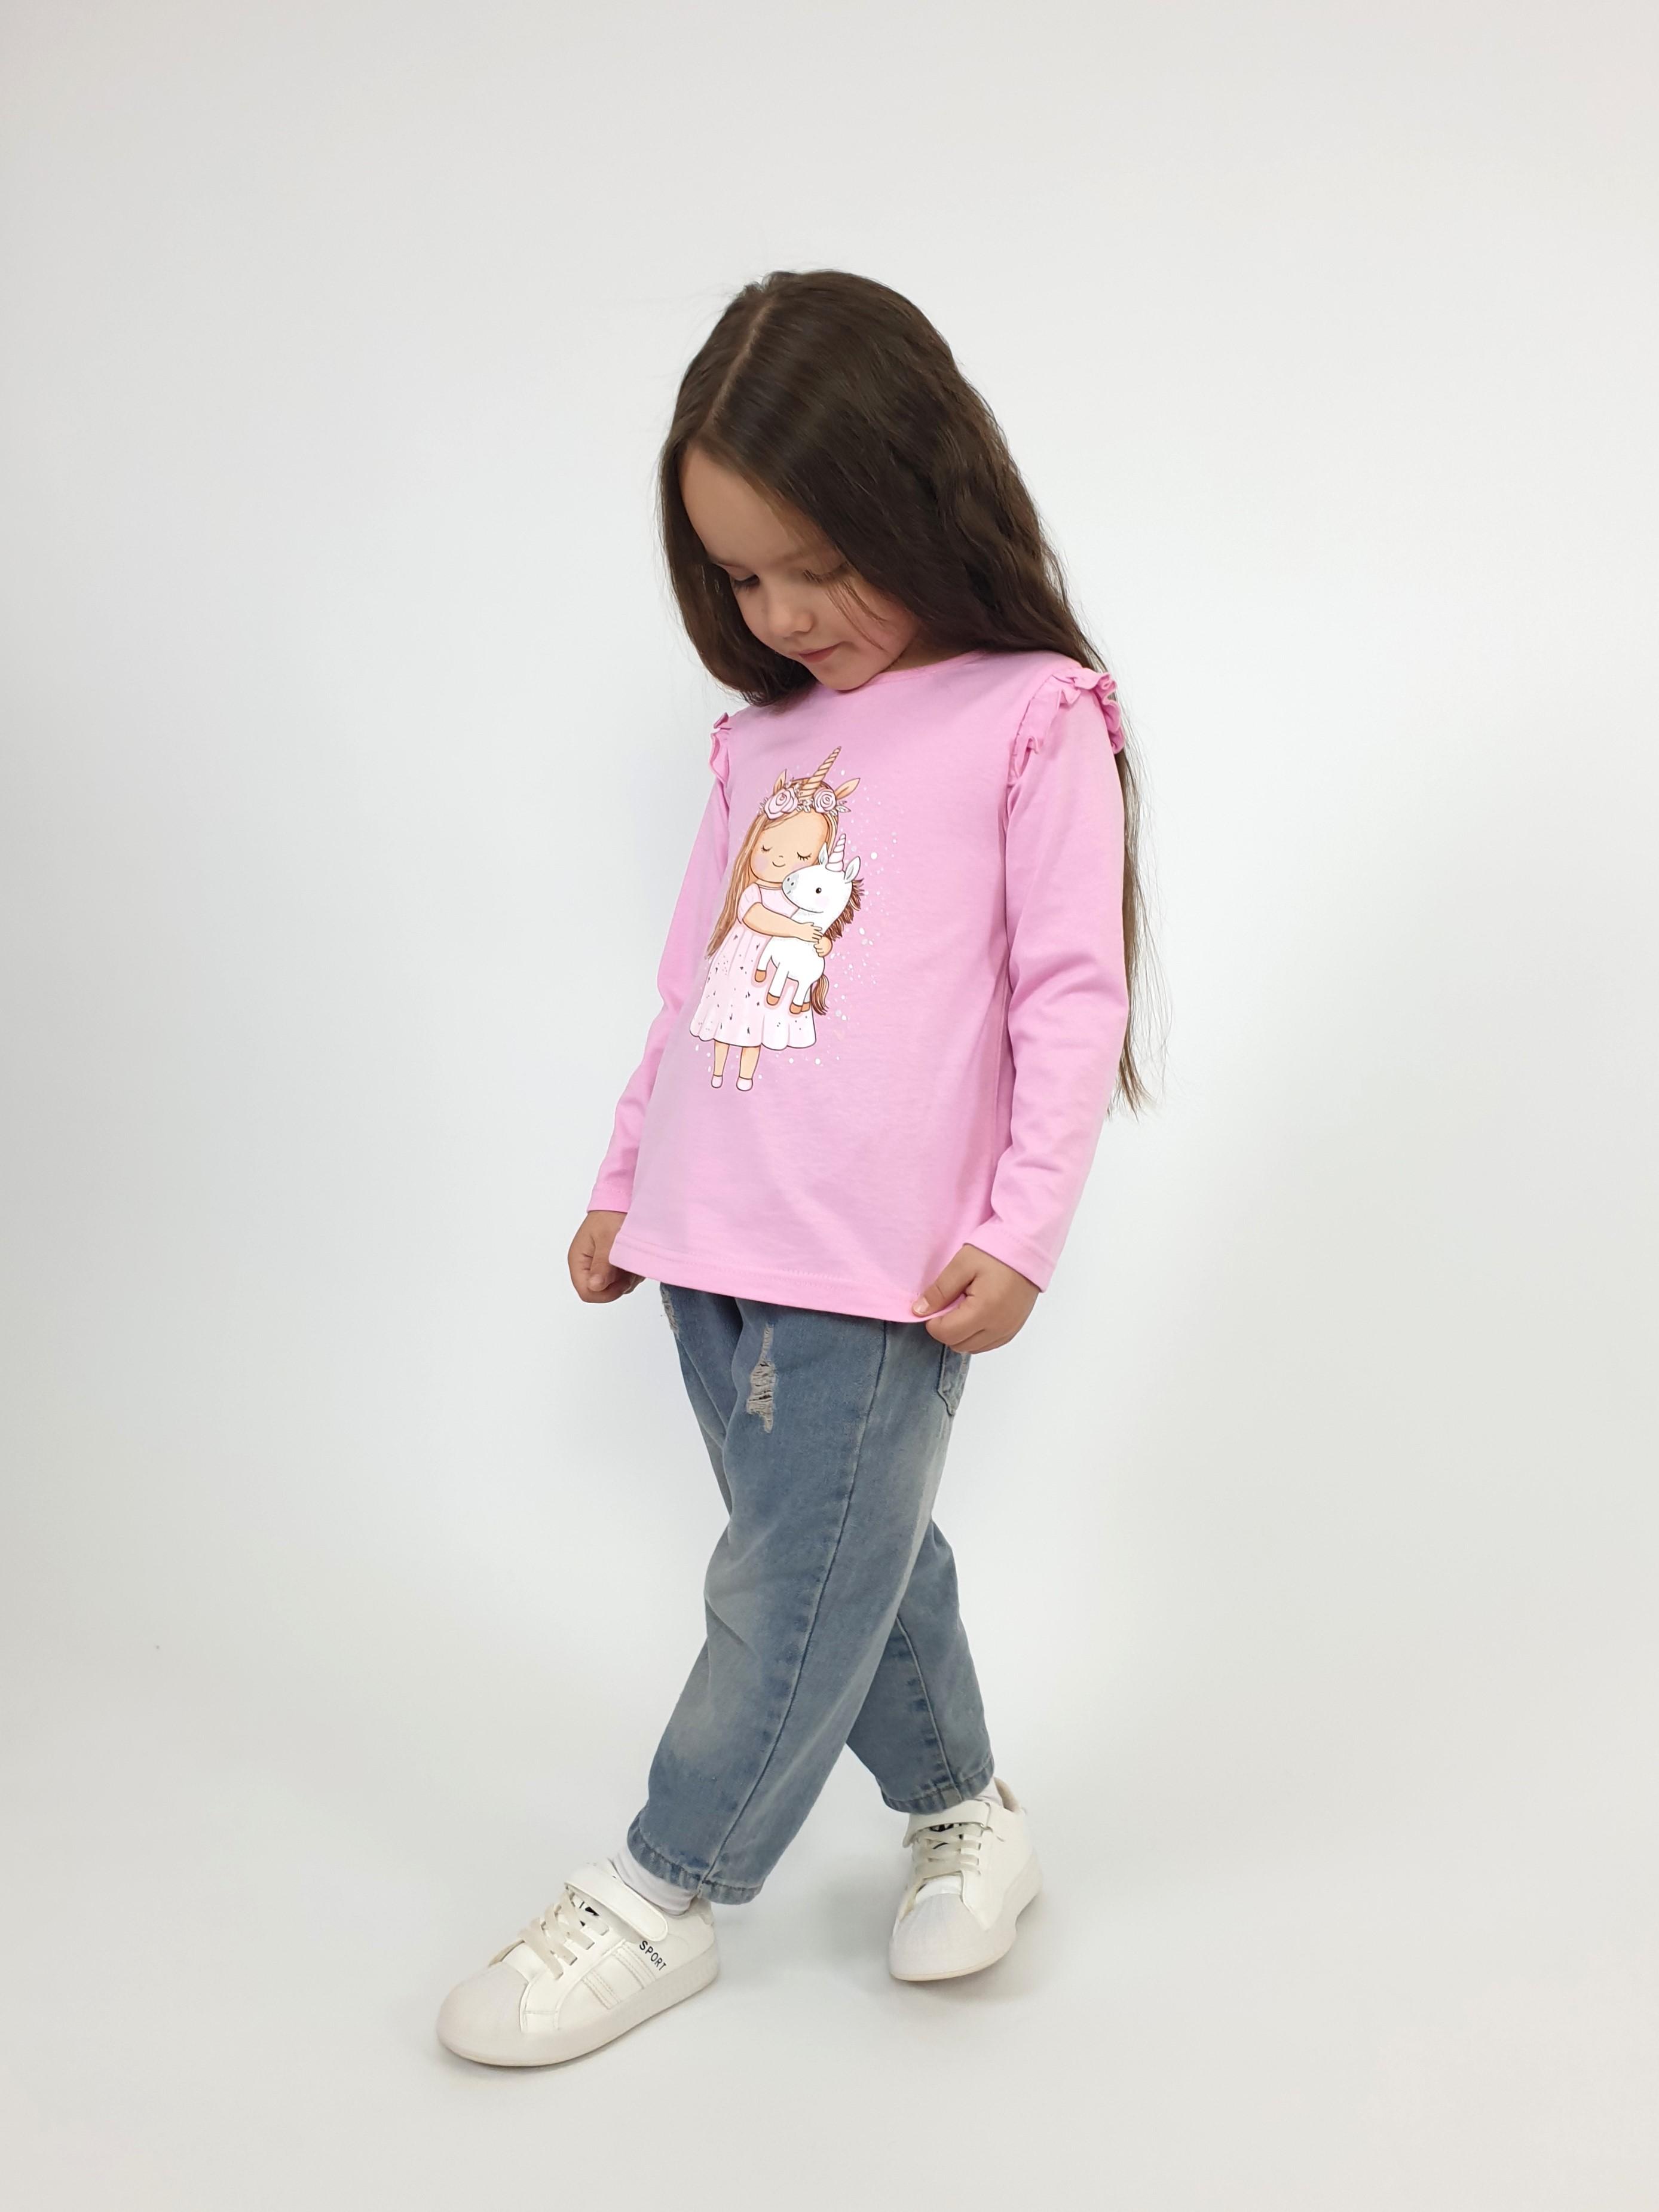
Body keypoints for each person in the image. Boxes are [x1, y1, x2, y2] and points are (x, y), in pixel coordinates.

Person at [437, 268, 1158, 2069]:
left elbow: (1072, 996)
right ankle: (968, 1810)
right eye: (742, 579)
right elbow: (693, 989)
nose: (784, 614)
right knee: (849, 1557)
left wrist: (1025, 1228)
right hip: (708, 1239)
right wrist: (628, 1179)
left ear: (924, 496)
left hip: (876, 1260)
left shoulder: (1032, 714)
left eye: (819, 564)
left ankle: (662, 1889)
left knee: (785, 1586)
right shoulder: (759, 742)